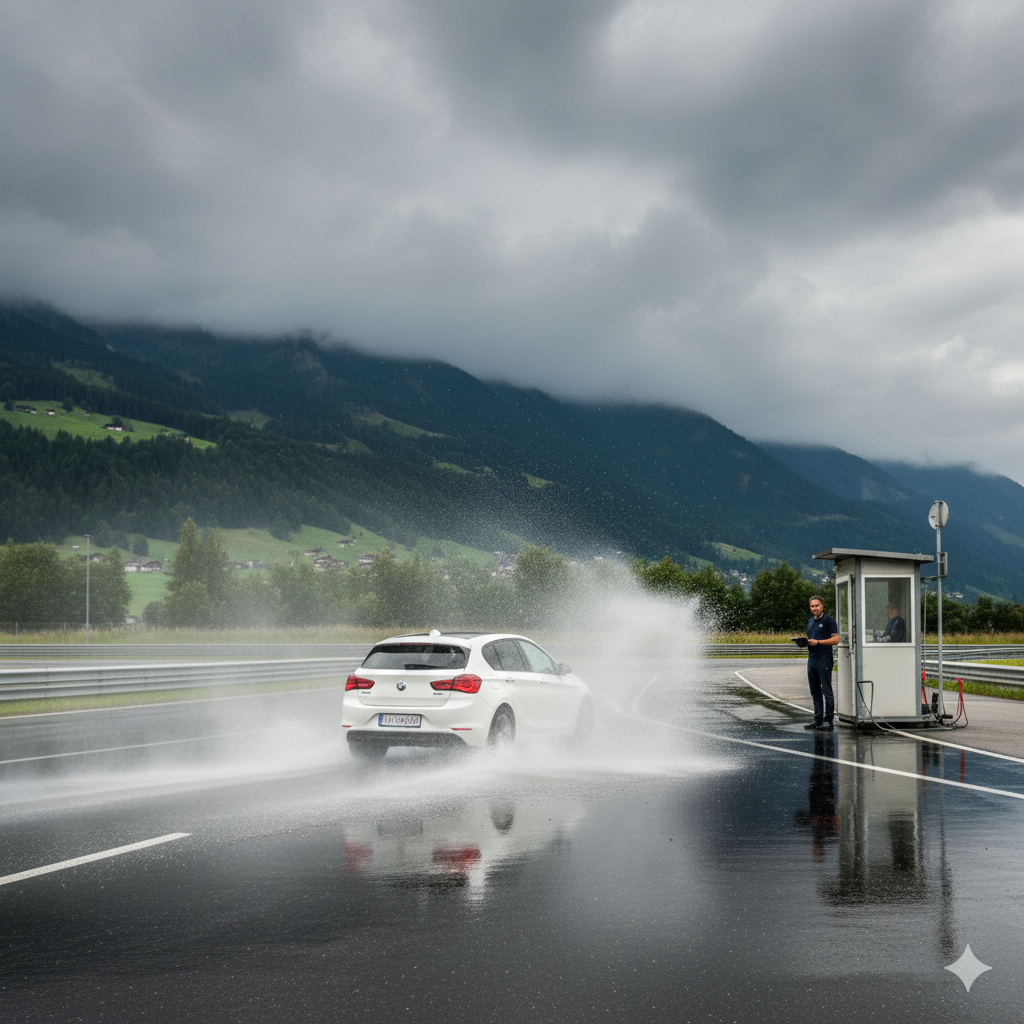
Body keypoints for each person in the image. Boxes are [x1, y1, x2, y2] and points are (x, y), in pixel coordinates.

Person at [804, 595, 840, 731]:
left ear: (822, 606)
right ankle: (818, 720)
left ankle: (829, 720)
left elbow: (836, 639)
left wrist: (818, 642)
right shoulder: (810, 621)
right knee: (814, 690)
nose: (815, 608)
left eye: (817, 605)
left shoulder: (829, 621)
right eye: (812, 606)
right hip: (812, 658)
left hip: (824, 658)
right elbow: (812, 638)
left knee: (826, 689)